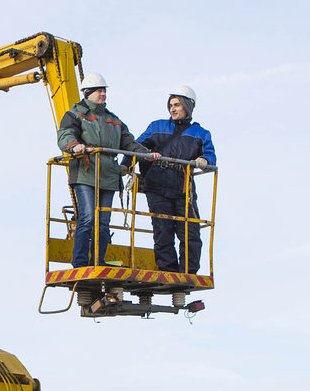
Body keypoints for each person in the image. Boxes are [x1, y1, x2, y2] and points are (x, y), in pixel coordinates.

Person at [56, 74, 159, 288]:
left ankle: (98, 261)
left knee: (103, 222)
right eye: (98, 90)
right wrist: (74, 145)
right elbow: (65, 135)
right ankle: (81, 263)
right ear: (87, 93)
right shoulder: (75, 115)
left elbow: (128, 142)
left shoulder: (113, 119)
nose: (103, 94)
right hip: (85, 172)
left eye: (104, 90)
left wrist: (146, 154)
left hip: (108, 174)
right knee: (87, 217)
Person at [137, 86, 216, 277]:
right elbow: (137, 146)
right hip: (157, 184)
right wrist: (125, 165)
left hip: (183, 187)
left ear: (188, 106)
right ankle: (168, 271)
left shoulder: (201, 133)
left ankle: (188, 273)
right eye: (171, 105)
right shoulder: (156, 126)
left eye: (177, 104)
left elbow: (210, 156)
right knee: (163, 230)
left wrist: (204, 161)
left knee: (190, 232)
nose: (173, 109)